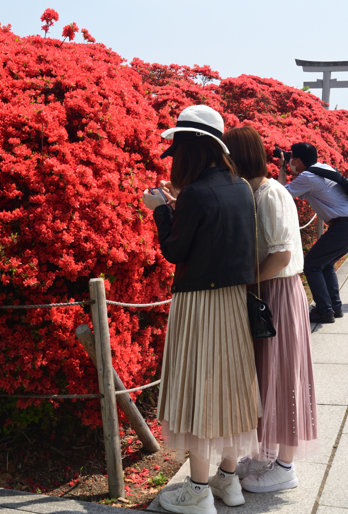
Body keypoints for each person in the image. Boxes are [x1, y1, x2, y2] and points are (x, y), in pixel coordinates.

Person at [141, 105, 260, 513]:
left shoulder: (194, 193)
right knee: (230, 391)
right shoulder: (241, 186)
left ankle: (197, 491)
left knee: (201, 393)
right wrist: (178, 207)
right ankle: (228, 481)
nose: (176, 159)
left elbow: (176, 251)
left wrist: (159, 210)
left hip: (199, 304)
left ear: (194, 148)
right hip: (233, 302)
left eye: (178, 151)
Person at [222, 126, 318, 494]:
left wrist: (249, 283)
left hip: (276, 290)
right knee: (270, 375)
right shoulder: (256, 190)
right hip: (269, 290)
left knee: (285, 377)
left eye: (226, 156)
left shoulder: (270, 193)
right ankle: (269, 455)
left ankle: (285, 466)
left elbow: (281, 254)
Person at [278, 142, 348, 324]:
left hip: (344, 226)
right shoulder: (323, 168)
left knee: (311, 264)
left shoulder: (308, 176)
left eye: (292, 157)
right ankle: (335, 307)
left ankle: (325, 311)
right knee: (325, 264)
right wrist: (290, 168)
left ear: (299, 160)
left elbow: (280, 195)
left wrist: (282, 167)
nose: (290, 160)